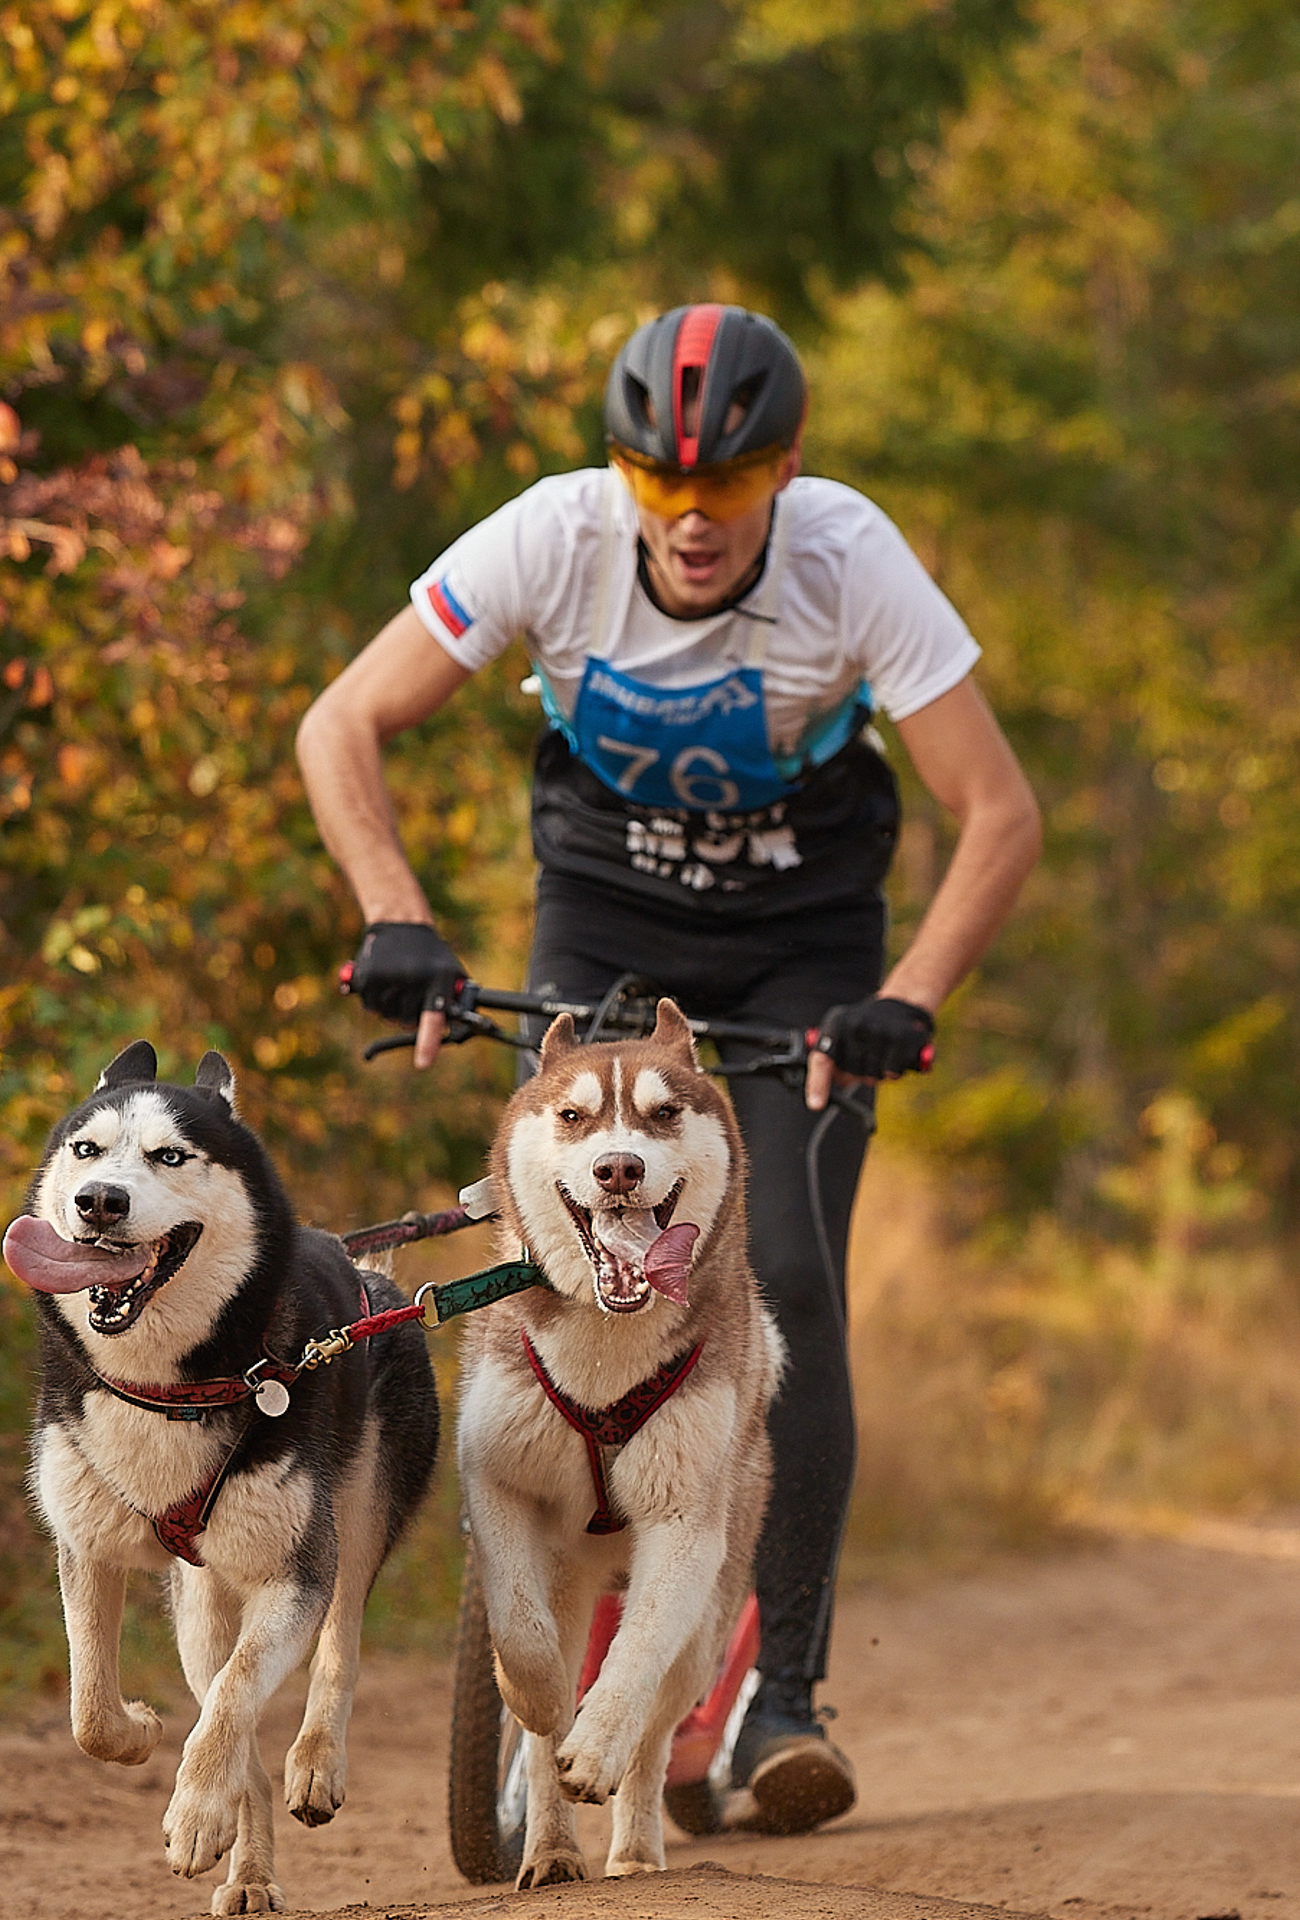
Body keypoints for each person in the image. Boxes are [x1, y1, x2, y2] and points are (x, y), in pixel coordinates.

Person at [295, 303, 1040, 1835]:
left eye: (736, 477)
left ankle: (786, 1698)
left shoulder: (849, 557)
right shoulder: (551, 539)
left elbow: (1000, 812)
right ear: (619, 472)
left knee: (789, 1274)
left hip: (803, 945)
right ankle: (556, 1562)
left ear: (789, 469)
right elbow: (343, 722)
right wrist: (398, 917)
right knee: (554, 1237)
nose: (694, 516)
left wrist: (904, 995)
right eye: (659, 480)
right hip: (604, 917)